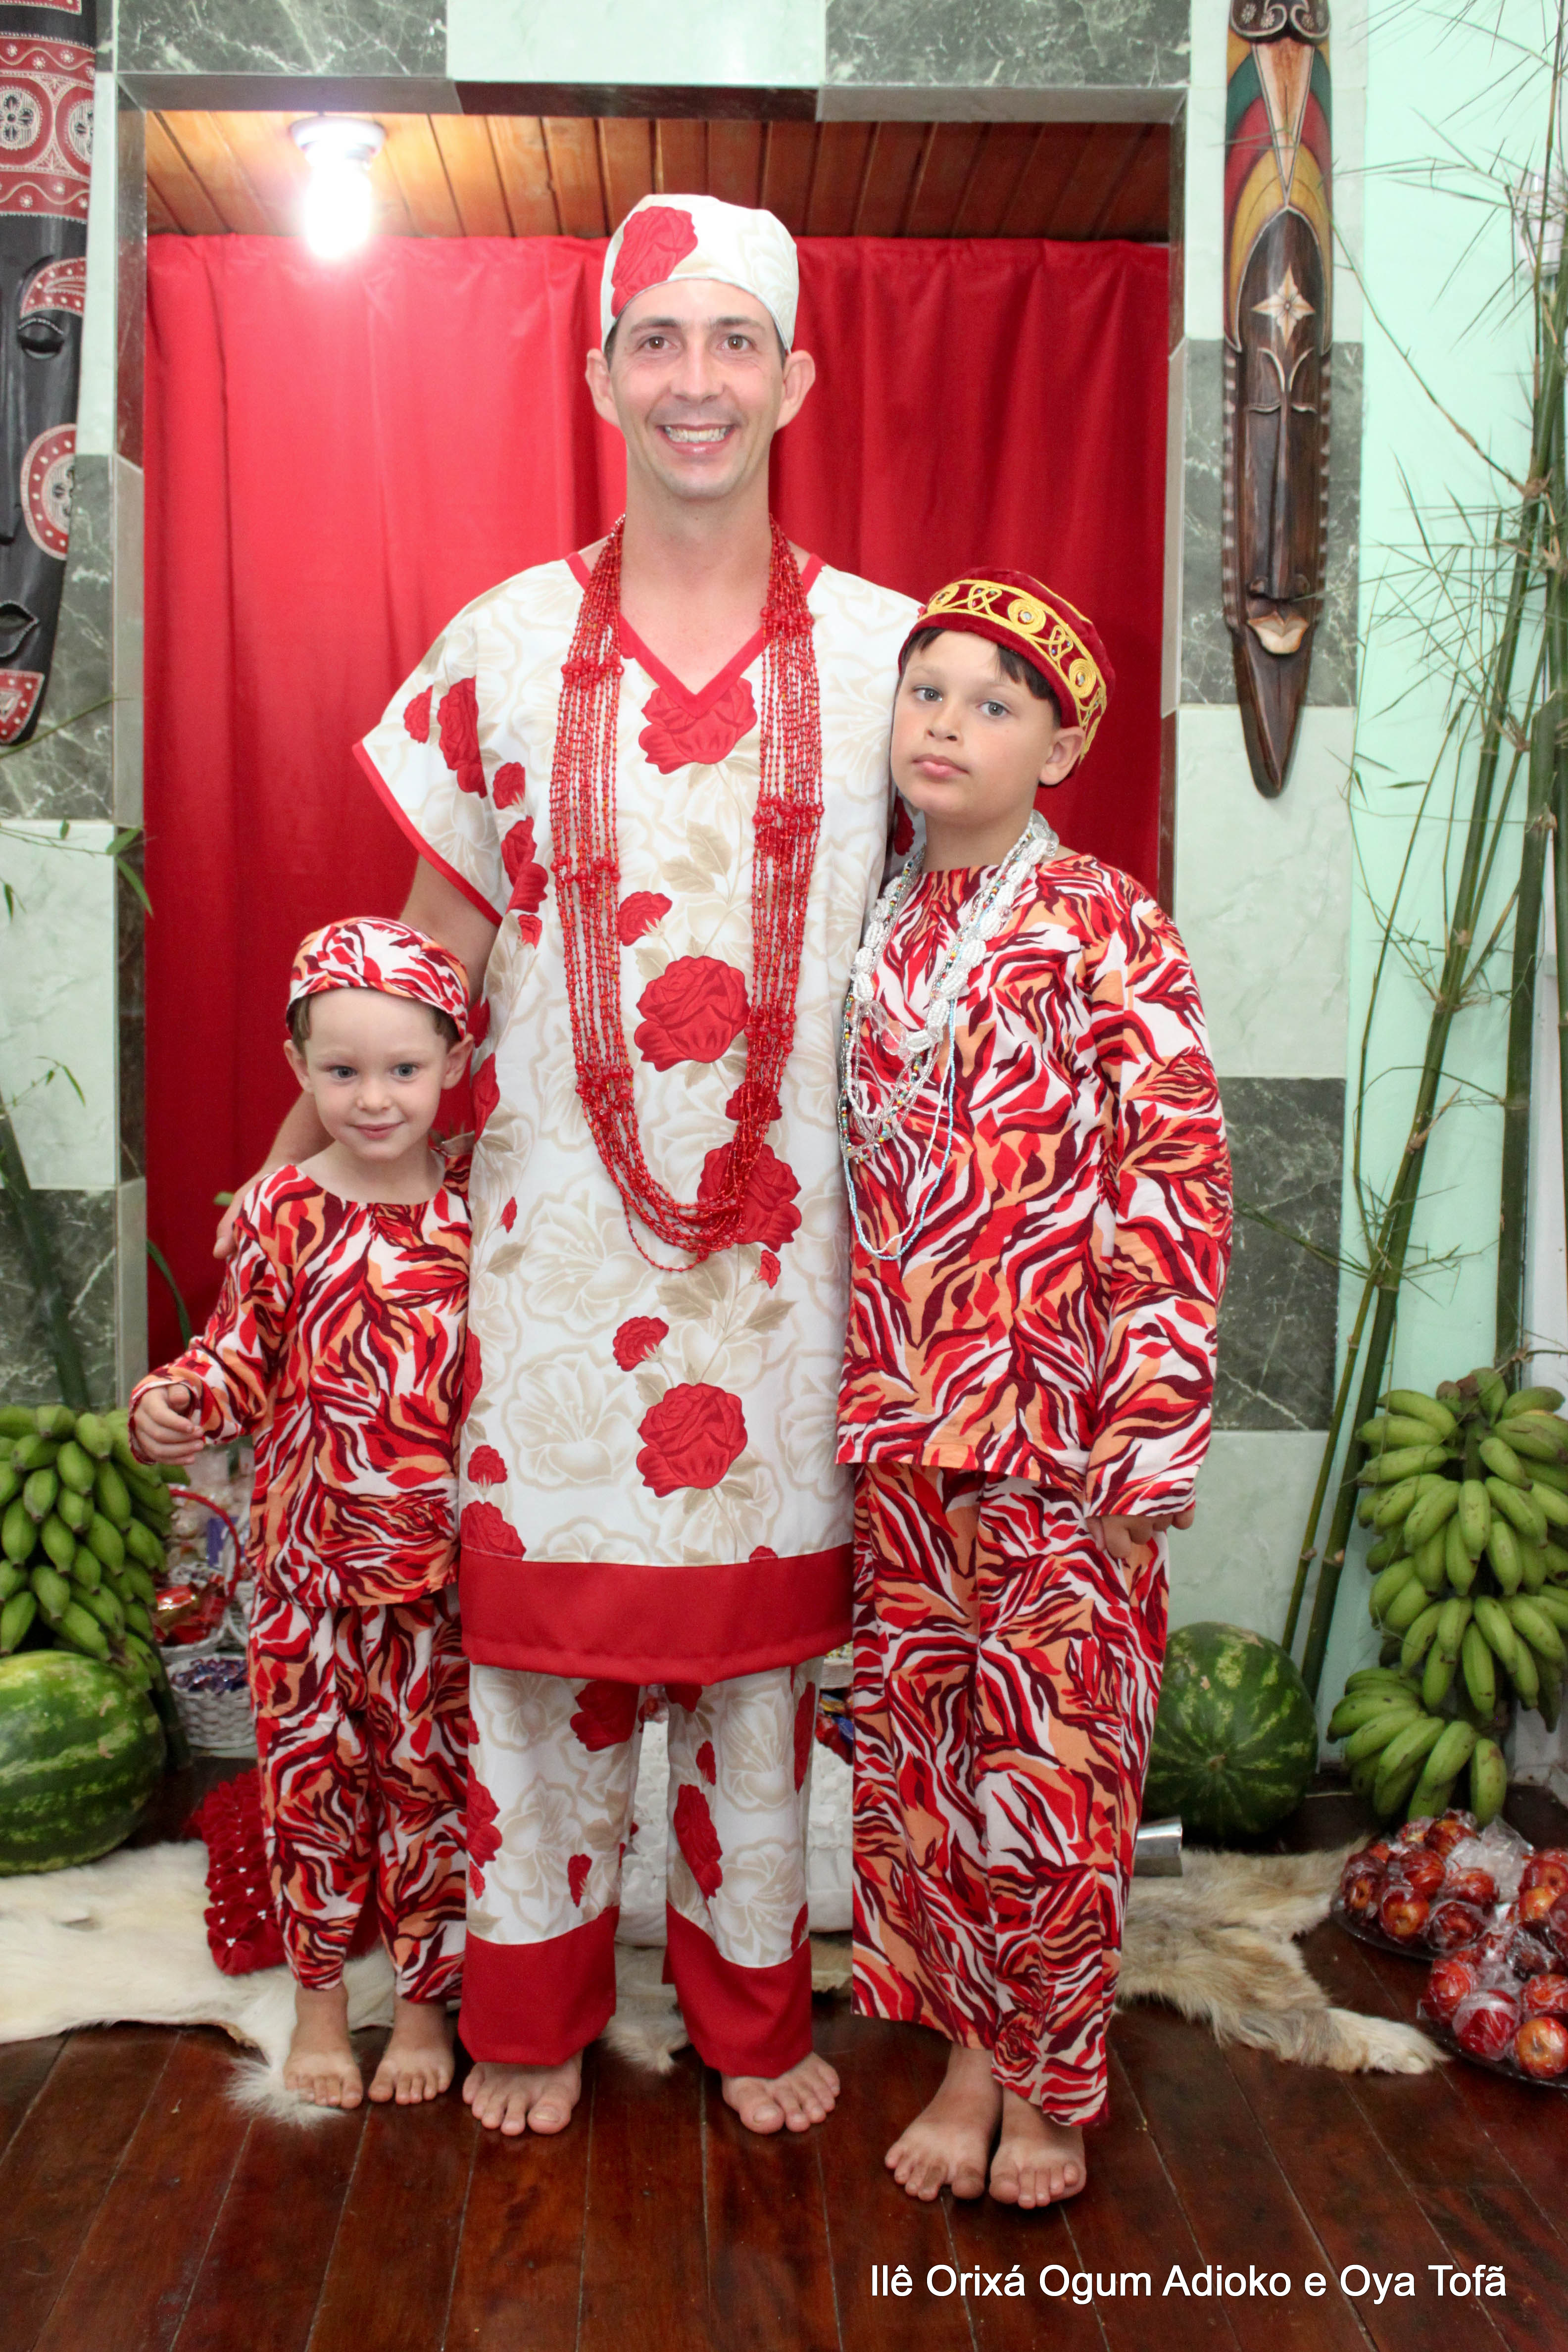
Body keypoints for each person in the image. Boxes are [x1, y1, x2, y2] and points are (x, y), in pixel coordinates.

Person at [219, 194, 918, 2136]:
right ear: (601, 377)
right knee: (538, 1660)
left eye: (731, 340)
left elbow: (949, 941)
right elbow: (426, 946)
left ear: (794, 378)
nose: (696, 381)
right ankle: (527, 2009)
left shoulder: (891, 657)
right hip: (543, 1244)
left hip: (788, 1252)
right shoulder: (504, 641)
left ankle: (747, 2013)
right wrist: (283, 1208)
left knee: (756, 1669)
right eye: (655, 341)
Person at [835, 573, 1231, 2208]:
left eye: (992, 704)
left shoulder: (1105, 922)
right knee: (925, 1762)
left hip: (1061, 1431)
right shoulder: (873, 913)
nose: (944, 723)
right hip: (897, 1419)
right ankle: (965, 2053)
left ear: (1058, 748)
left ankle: (1052, 2083)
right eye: (924, 690)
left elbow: (1176, 1178)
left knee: (1053, 1765)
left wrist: (1149, 1443)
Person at [134, 918, 475, 2110]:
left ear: (453, 1062)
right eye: (343, 1070)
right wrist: (181, 1400)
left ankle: (425, 2006)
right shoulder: (284, 1207)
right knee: (311, 1793)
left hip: (439, 1577)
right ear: (299, 1069)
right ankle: (322, 2004)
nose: (374, 1099)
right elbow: (238, 1352)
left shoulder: (479, 1205)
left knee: (431, 1793)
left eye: (404, 1069)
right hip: (304, 1573)